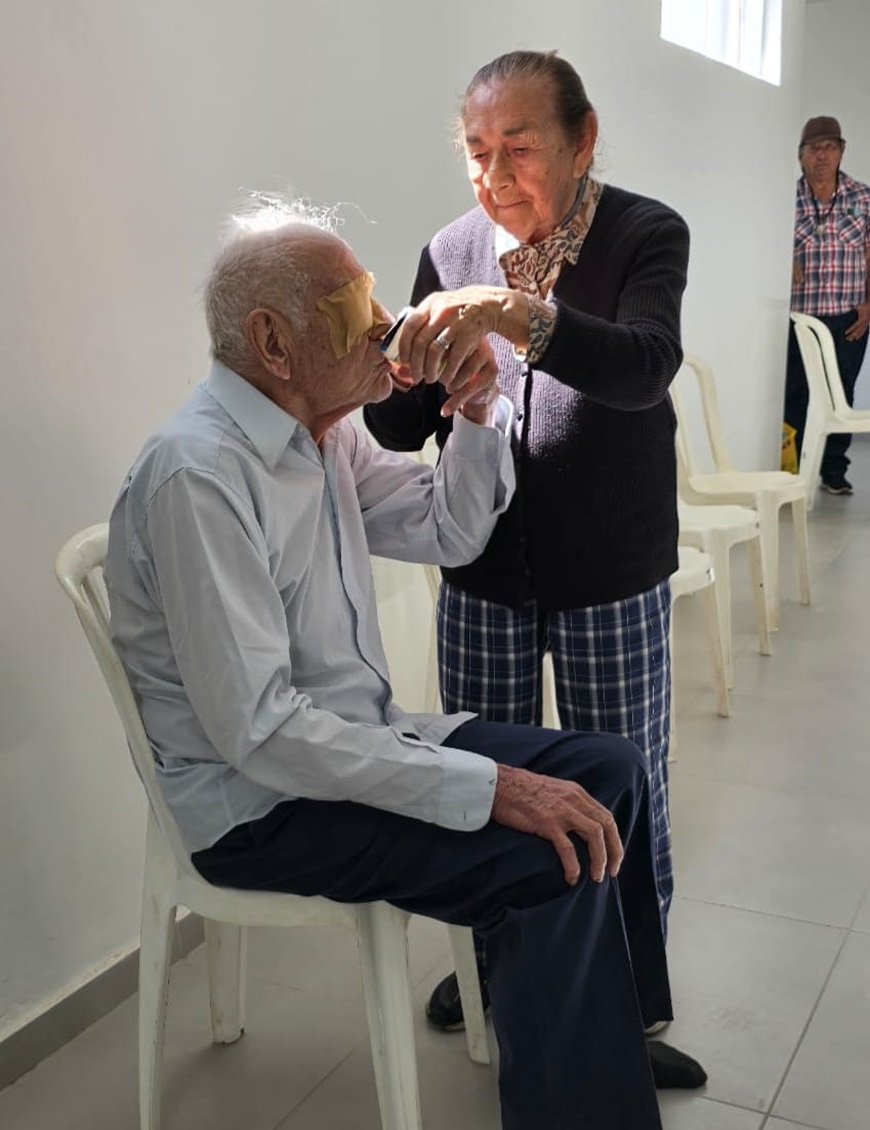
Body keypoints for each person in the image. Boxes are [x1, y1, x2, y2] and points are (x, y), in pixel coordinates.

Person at [104, 198, 705, 1129]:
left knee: (614, 768)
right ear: (273, 343)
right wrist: (490, 786)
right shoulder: (201, 477)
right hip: (262, 805)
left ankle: (610, 1031)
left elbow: (449, 530)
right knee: (545, 854)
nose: (387, 322)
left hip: (349, 747)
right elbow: (263, 733)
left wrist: (476, 410)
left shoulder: (320, 434)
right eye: (353, 306)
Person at [364, 49, 689, 1033]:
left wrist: (515, 315)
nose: (495, 175)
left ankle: (628, 1004)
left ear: (582, 142)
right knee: (486, 785)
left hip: (611, 571)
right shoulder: (450, 247)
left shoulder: (644, 233)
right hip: (483, 573)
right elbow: (397, 431)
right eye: (477, 151)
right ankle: (491, 968)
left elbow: (644, 366)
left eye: (520, 147)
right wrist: (400, 367)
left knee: (620, 786)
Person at [785, 115, 870, 495]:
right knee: (795, 393)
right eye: (813, 149)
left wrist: (869, 304)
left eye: (829, 148)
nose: (821, 156)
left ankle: (834, 471)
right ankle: (790, 470)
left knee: (841, 394)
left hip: (849, 316)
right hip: (799, 318)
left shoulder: (863, 197)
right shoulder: (786, 197)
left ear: (842, 151)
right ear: (800, 155)